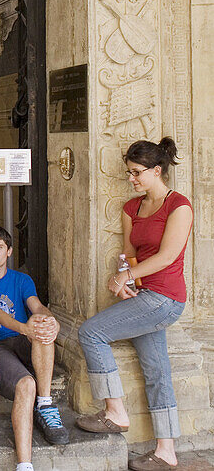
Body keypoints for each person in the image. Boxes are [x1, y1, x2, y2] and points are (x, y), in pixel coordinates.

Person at [76, 138, 193, 471]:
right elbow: (130, 255)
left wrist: (125, 278)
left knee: (90, 333)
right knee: (157, 372)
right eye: (129, 173)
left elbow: (168, 256)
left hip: (166, 298)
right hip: (144, 295)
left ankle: (115, 412)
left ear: (158, 171)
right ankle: (167, 451)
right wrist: (128, 279)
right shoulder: (131, 208)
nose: (132, 179)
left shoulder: (179, 206)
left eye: (137, 173)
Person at [0, 226, 69, 471]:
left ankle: (44, 404)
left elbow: (37, 306)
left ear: (9, 251)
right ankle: (25, 466)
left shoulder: (22, 279)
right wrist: (25, 328)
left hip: (21, 339)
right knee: (26, 384)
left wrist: (50, 320)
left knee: (44, 328)